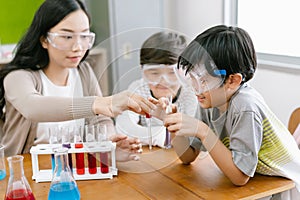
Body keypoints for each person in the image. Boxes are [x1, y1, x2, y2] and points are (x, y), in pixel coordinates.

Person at [152, 25, 300, 198]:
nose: (195, 88)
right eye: (192, 78)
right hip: (259, 181)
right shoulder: (210, 98)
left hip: (285, 186)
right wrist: (173, 124)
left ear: (232, 81)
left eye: (203, 80)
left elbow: (240, 176)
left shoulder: (245, 106)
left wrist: (203, 131)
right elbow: (188, 156)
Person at [0, 0, 155, 159]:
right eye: (67, 36)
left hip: (74, 167)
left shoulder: (84, 72)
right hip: (28, 171)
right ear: (44, 39)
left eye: (84, 36)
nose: (78, 47)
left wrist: (109, 142)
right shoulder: (18, 77)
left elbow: (101, 120)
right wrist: (101, 103)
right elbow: (32, 107)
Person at [115, 31, 198, 148]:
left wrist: (147, 136)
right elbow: (123, 128)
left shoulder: (191, 92)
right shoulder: (138, 89)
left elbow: (194, 135)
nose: (163, 81)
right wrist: (167, 137)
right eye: (154, 73)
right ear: (142, 71)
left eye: (171, 73)